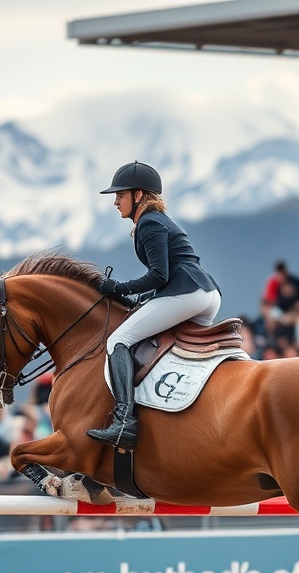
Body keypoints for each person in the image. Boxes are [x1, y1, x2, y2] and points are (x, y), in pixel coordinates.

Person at [88, 161, 222, 450]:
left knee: (118, 340)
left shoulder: (149, 223)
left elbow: (159, 275)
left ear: (138, 196)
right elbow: (165, 276)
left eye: (120, 195)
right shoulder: (157, 220)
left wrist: (119, 288)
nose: (115, 202)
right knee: (166, 348)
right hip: (202, 292)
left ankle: (125, 422)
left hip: (189, 292)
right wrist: (139, 298)